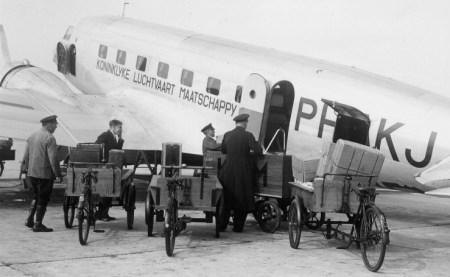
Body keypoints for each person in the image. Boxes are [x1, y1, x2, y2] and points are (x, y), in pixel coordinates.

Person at [219, 113, 263, 232]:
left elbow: (223, 150)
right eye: (246, 123)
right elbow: (259, 151)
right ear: (244, 123)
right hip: (243, 170)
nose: (246, 124)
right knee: (242, 198)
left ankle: (222, 225)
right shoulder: (248, 135)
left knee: (226, 198)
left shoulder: (227, 134)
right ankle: (238, 227)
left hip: (228, 170)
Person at [22, 115, 62, 232]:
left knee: (36, 196)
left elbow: (26, 156)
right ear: (49, 124)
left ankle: (29, 220)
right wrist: (58, 175)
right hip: (44, 174)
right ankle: (38, 224)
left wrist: (25, 169)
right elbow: (53, 160)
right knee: (43, 198)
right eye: (55, 125)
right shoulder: (49, 138)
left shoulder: (32, 136)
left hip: (32, 173)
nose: (56, 127)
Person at [95, 119, 124, 221]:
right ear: (113, 127)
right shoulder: (105, 135)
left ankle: (104, 213)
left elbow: (118, 152)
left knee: (110, 190)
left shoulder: (115, 137)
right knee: (106, 190)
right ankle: (101, 214)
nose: (121, 130)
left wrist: (120, 140)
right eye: (119, 127)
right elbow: (96, 147)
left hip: (112, 168)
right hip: (105, 168)